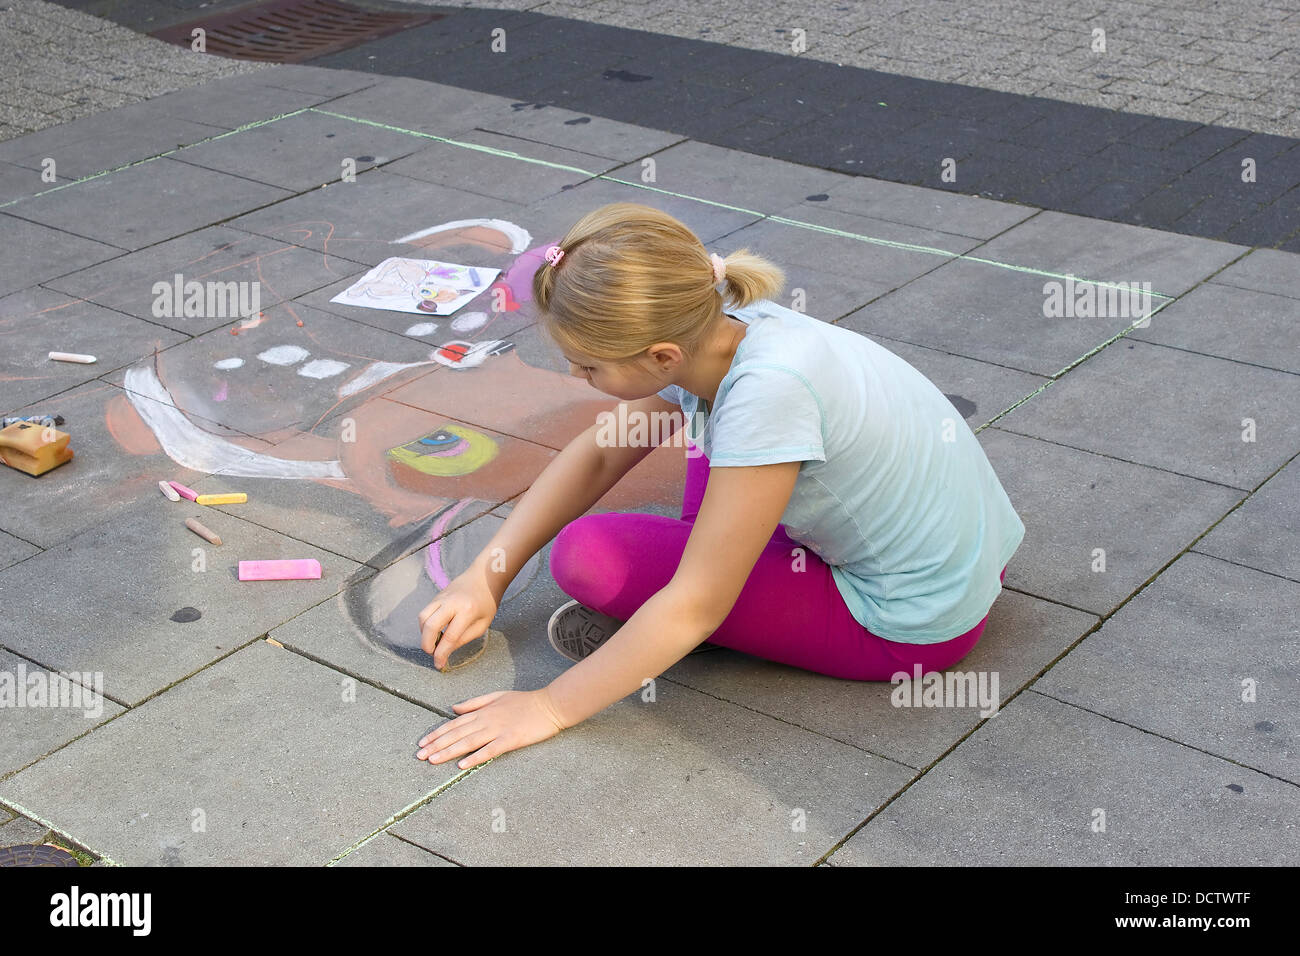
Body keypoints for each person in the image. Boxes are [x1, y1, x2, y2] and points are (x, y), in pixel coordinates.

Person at [413, 201, 1025, 770]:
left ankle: (700, 616)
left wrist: (547, 707)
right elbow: (602, 455)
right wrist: (486, 574)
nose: (574, 375)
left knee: (591, 558)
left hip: (908, 628)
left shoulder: (769, 396)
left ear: (660, 356)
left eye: (589, 364)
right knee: (698, 431)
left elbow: (697, 604)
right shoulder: (733, 327)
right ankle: (714, 586)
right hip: (967, 561)